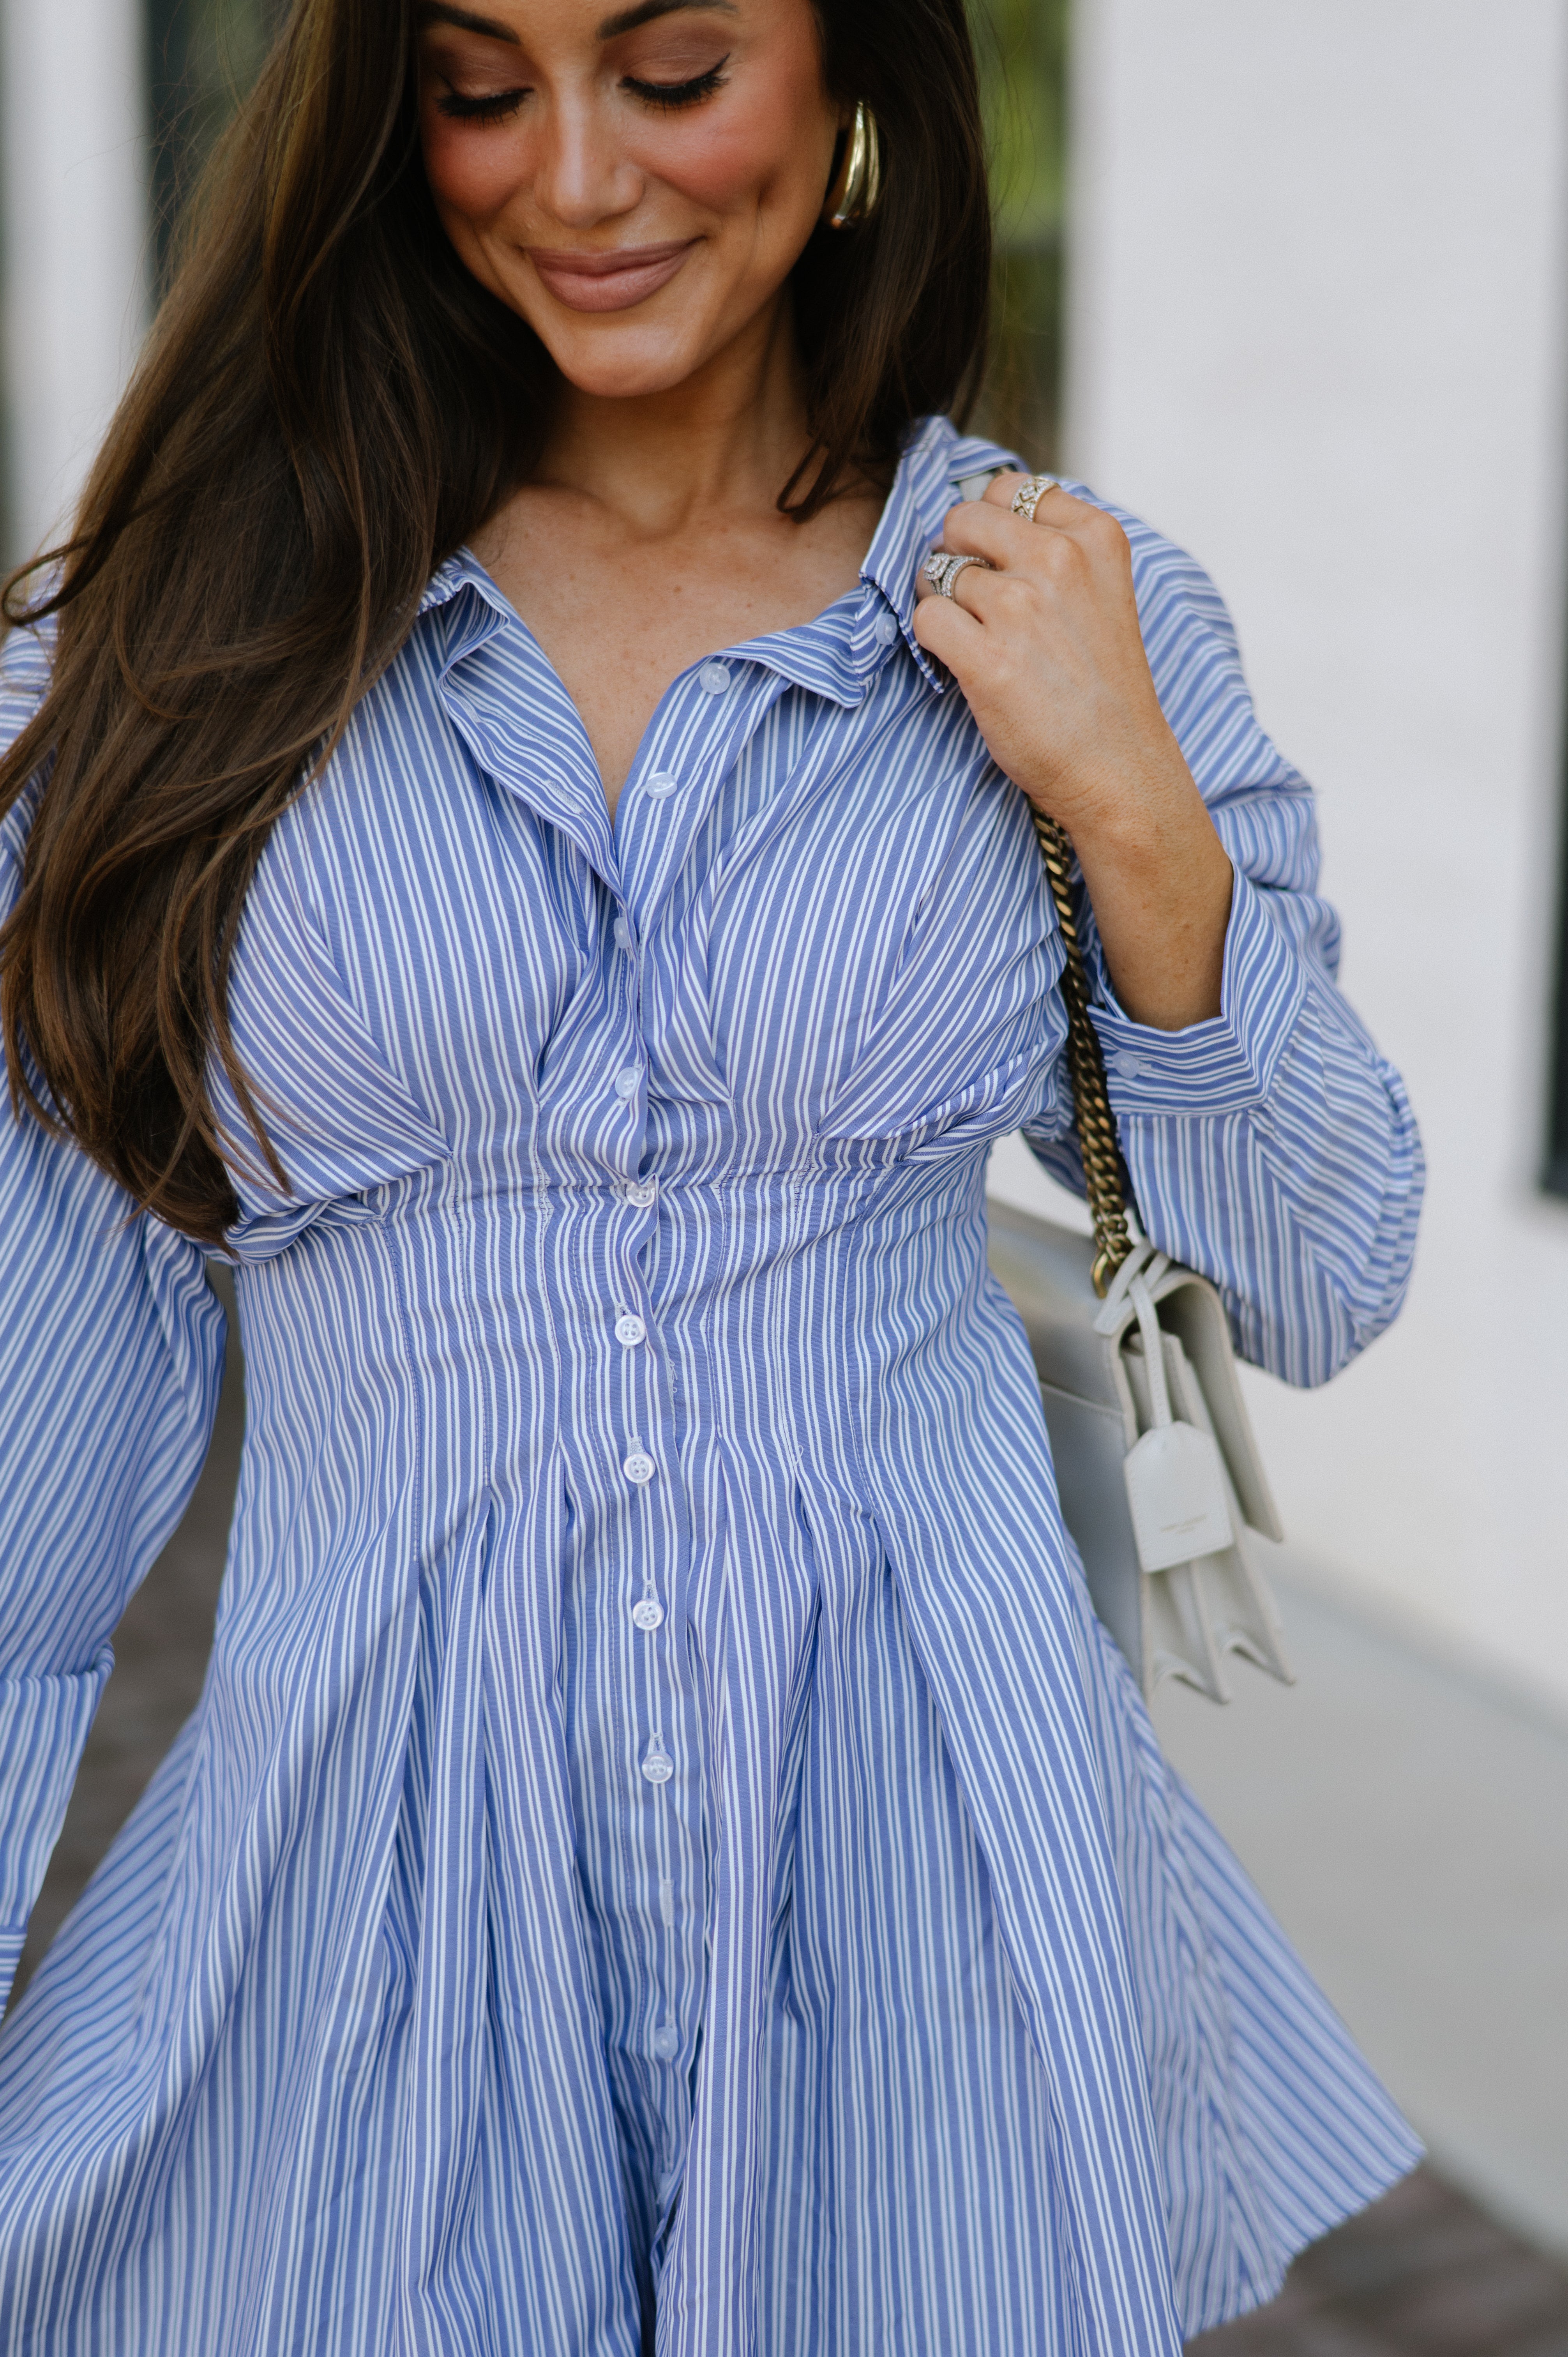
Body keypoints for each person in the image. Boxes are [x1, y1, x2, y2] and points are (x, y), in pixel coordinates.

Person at [0, 0, 1424, 2348]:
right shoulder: (176, 653)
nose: (572, 180)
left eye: (671, 75)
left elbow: (1328, 1263)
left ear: (853, 75)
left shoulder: (1078, 609)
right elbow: (30, 1463)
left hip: (920, 1890)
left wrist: (1136, 823)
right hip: (366, 1909)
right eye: (478, 88)